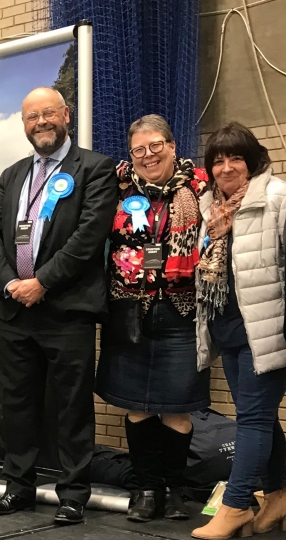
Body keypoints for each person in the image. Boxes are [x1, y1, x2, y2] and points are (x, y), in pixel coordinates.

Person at [0, 87, 117, 524]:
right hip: (16, 311)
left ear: (66, 116)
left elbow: (88, 237)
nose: (40, 122)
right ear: (23, 124)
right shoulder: (12, 174)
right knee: (16, 404)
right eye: (31, 116)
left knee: (71, 407)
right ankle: (17, 488)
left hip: (67, 311)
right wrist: (10, 284)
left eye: (48, 114)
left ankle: (73, 493)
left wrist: (42, 282)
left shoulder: (95, 169)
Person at [95, 114, 210, 522]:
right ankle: (146, 488)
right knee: (138, 407)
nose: (148, 156)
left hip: (181, 311)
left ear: (172, 146)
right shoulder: (117, 185)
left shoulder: (200, 186)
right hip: (129, 310)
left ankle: (176, 489)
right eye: (139, 150)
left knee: (177, 409)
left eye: (155, 146)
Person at [191, 122, 286, 539]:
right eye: (218, 160)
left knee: (252, 419)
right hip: (227, 330)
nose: (226, 168)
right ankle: (280, 494)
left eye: (236, 159)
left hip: (267, 331)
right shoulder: (210, 208)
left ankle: (235, 507)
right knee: (261, 418)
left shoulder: (277, 199)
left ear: (253, 162)